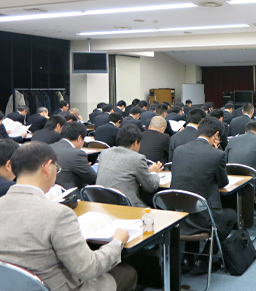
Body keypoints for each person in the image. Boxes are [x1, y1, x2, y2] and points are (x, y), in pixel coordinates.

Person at [0, 142, 137, 291]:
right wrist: (117, 243)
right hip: (58, 286)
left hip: (10, 285)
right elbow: (88, 268)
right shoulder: (58, 214)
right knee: (128, 273)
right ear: (47, 168)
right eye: (56, 169)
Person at [171, 117, 237, 274]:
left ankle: (187, 258)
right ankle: (204, 257)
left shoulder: (179, 150)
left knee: (192, 206)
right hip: (204, 217)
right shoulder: (216, 154)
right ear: (216, 135)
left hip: (179, 215)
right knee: (232, 216)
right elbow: (222, 183)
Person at [96, 124, 163, 207]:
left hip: (102, 203)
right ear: (135, 143)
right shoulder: (137, 158)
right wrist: (154, 173)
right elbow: (151, 187)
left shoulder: (105, 153)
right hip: (126, 205)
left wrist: (147, 172)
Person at [51, 122, 97, 190]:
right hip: (71, 195)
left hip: (51, 192)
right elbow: (93, 179)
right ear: (79, 138)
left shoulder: (49, 147)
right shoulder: (77, 154)